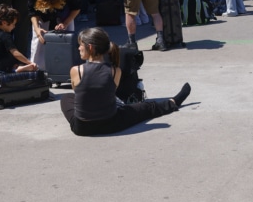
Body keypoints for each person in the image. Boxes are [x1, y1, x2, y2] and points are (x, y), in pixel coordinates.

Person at [59, 27, 191, 136]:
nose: (78, 48)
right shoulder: (116, 71)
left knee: (66, 98)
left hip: (82, 128)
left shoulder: (75, 70)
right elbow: (109, 92)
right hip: (111, 124)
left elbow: (80, 93)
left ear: (91, 48)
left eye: (80, 45)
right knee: (146, 107)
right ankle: (173, 102)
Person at [28, 0, 82, 68]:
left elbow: (76, 8)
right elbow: (32, 12)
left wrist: (65, 23)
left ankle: (66, 68)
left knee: (67, 39)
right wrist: (36, 28)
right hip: (42, 13)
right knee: (39, 40)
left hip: (64, 11)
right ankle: (37, 69)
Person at [0, 4, 38, 72]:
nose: (14, 27)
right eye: (13, 24)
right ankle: (17, 69)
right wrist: (29, 62)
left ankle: (15, 67)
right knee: (16, 56)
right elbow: (15, 53)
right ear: (4, 23)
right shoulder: (4, 35)